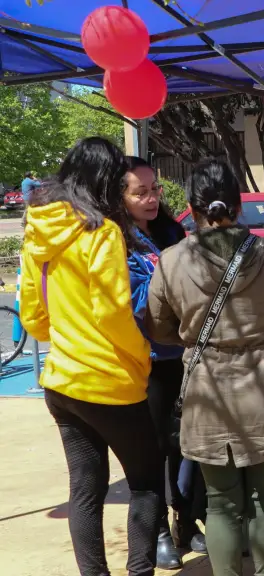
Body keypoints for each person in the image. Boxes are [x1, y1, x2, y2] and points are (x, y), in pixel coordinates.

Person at [145, 158, 264, 576]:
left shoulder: (171, 261)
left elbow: (156, 327)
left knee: (222, 504)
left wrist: (194, 336)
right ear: (239, 206)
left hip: (208, 394)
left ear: (192, 206)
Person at [20, 137, 163, 575]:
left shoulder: (38, 229)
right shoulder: (101, 231)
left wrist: (66, 336)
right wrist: (141, 354)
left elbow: (32, 314)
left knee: (85, 490)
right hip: (109, 382)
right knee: (147, 484)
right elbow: (112, 311)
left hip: (61, 381)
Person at [123, 157, 206, 570]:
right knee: (154, 450)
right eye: (140, 192)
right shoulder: (116, 242)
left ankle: (187, 523)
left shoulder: (174, 233)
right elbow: (136, 302)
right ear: (119, 197)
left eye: (154, 189)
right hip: (147, 361)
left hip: (186, 355)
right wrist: (172, 286)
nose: (152, 198)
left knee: (188, 444)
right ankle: (156, 531)